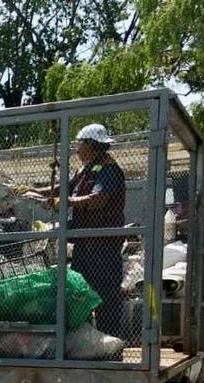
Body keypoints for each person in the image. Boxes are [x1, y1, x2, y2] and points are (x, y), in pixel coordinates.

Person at [37, 123, 126, 338]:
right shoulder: (86, 169)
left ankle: (111, 346)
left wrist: (64, 202)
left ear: (90, 144)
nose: (76, 148)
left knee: (106, 296)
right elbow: (61, 189)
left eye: (79, 143)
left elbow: (97, 200)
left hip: (103, 246)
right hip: (84, 245)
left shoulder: (109, 170)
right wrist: (33, 192)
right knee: (79, 293)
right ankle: (85, 342)